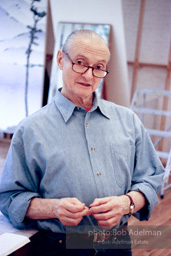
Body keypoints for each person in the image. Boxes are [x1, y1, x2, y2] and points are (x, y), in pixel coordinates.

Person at [0, 30, 164, 256]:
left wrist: (126, 203)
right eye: (79, 63)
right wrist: (54, 208)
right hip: (58, 248)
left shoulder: (128, 121)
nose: (88, 75)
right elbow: (9, 198)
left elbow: (152, 178)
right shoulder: (31, 129)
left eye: (98, 67)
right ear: (60, 59)